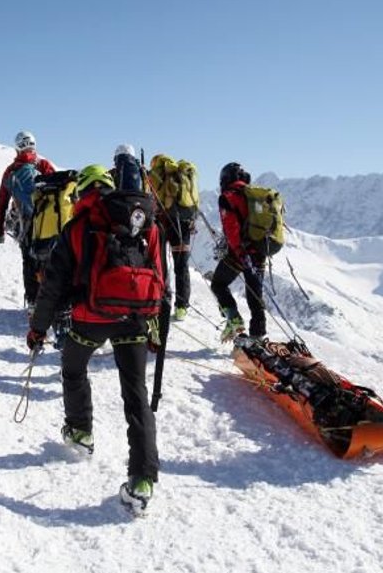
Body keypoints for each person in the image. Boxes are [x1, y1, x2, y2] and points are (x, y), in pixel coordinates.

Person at [27, 164, 163, 514]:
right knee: (136, 397)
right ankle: (142, 481)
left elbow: (53, 286)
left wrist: (38, 329)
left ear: (81, 191)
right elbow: (162, 278)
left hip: (90, 319)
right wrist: (155, 325)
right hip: (134, 320)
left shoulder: (76, 227)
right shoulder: (144, 221)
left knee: (73, 370)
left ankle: (80, 431)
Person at [0, 130, 56, 313]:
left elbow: (1, 203)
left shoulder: (11, 171)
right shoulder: (43, 165)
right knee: (50, 260)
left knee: (29, 261)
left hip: (25, 225)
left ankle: (32, 302)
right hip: (48, 223)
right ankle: (52, 300)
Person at [210, 162, 267, 342]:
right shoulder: (254, 195)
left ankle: (234, 318)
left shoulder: (228, 196)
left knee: (218, 284)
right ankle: (258, 335)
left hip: (241, 253)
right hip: (260, 250)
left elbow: (232, 229)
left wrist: (239, 252)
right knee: (255, 294)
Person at [146, 155, 200, 321]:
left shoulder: (155, 175)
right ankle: (182, 307)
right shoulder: (184, 178)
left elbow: (150, 199)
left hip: (163, 222)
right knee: (181, 267)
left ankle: (160, 302)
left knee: (160, 264)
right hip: (183, 223)